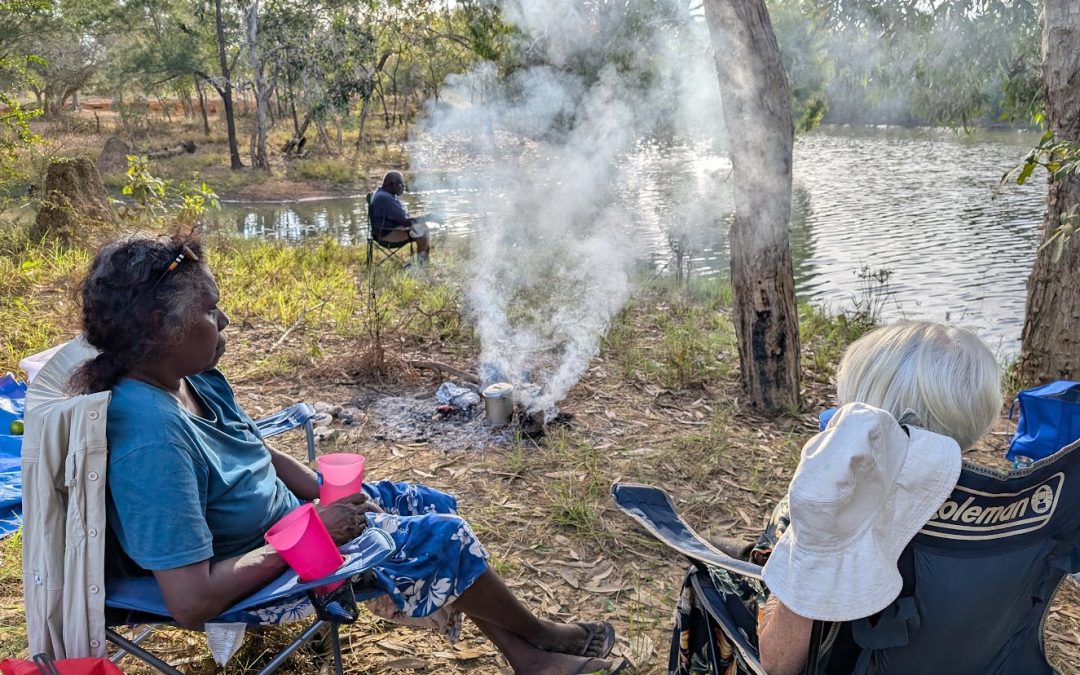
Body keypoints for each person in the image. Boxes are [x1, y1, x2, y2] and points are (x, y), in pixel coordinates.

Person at [73, 233, 626, 675]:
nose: (226, 322)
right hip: (266, 569)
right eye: (209, 310)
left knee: (424, 501)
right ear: (157, 328)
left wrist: (320, 492)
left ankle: (527, 656)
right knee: (438, 537)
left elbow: (256, 452)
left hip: (294, 526)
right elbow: (191, 600)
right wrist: (317, 529)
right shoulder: (150, 439)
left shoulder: (191, 376)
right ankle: (540, 639)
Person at [672, 321, 1001, 675]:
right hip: (958, 657)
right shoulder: (1009, 513)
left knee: (703, 576)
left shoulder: (832, 502)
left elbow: (779, 662)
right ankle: (761, 555)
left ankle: (768, 557)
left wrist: (803, 538)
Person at [369, 170, 430, 264]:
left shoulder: (384, 194)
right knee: (422, 232)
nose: (403, 188)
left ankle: (421, 264)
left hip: (382, 231)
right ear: (392, 184)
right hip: (385, 235)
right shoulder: (385, 198)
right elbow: (405, 221)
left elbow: (402, 217)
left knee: (421, 227)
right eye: (401, 185)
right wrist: (428, 217)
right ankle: (421, 266)